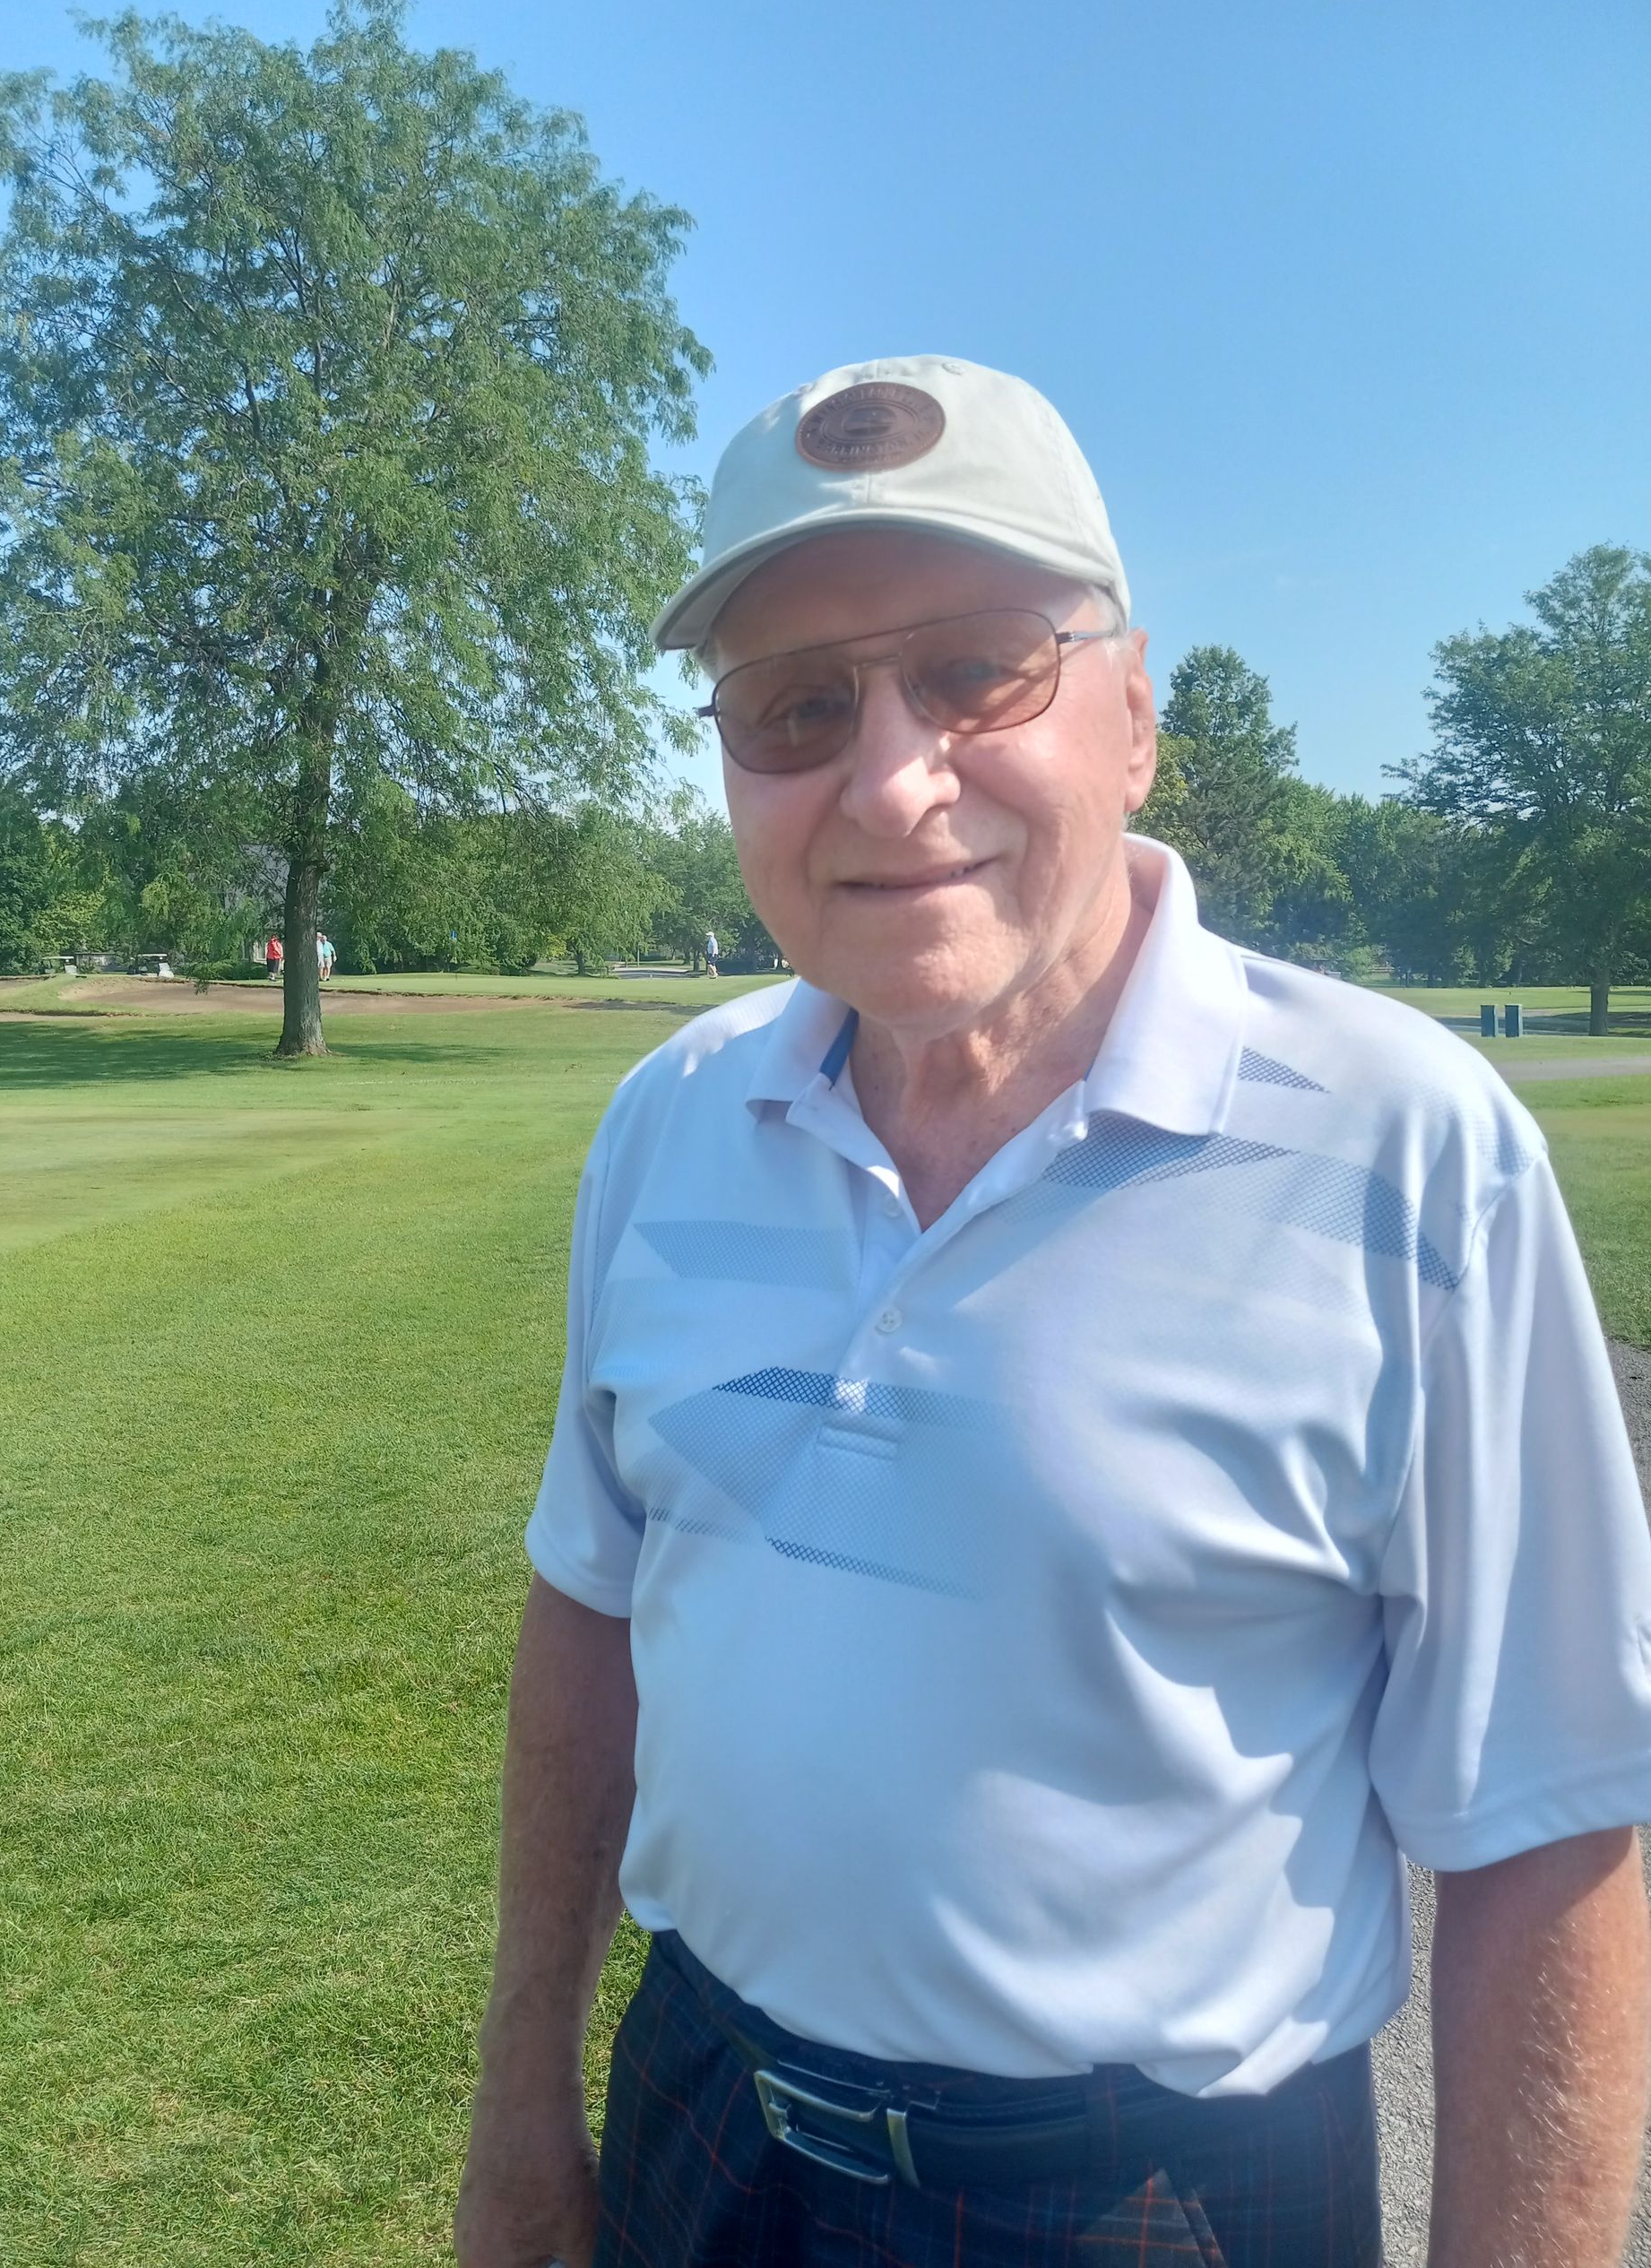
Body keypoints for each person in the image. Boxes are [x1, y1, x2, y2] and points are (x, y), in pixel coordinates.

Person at [454, 358, 1651, 2268]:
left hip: (1150, 2199)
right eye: (797, 703)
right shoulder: (672, 1118)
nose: (892, 775)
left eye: (979, 668)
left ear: (1135, 711)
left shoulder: (1410, 1152)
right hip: (699, 2109)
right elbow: (592, 1601)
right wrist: (519, 2100)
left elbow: (1550, 1819)